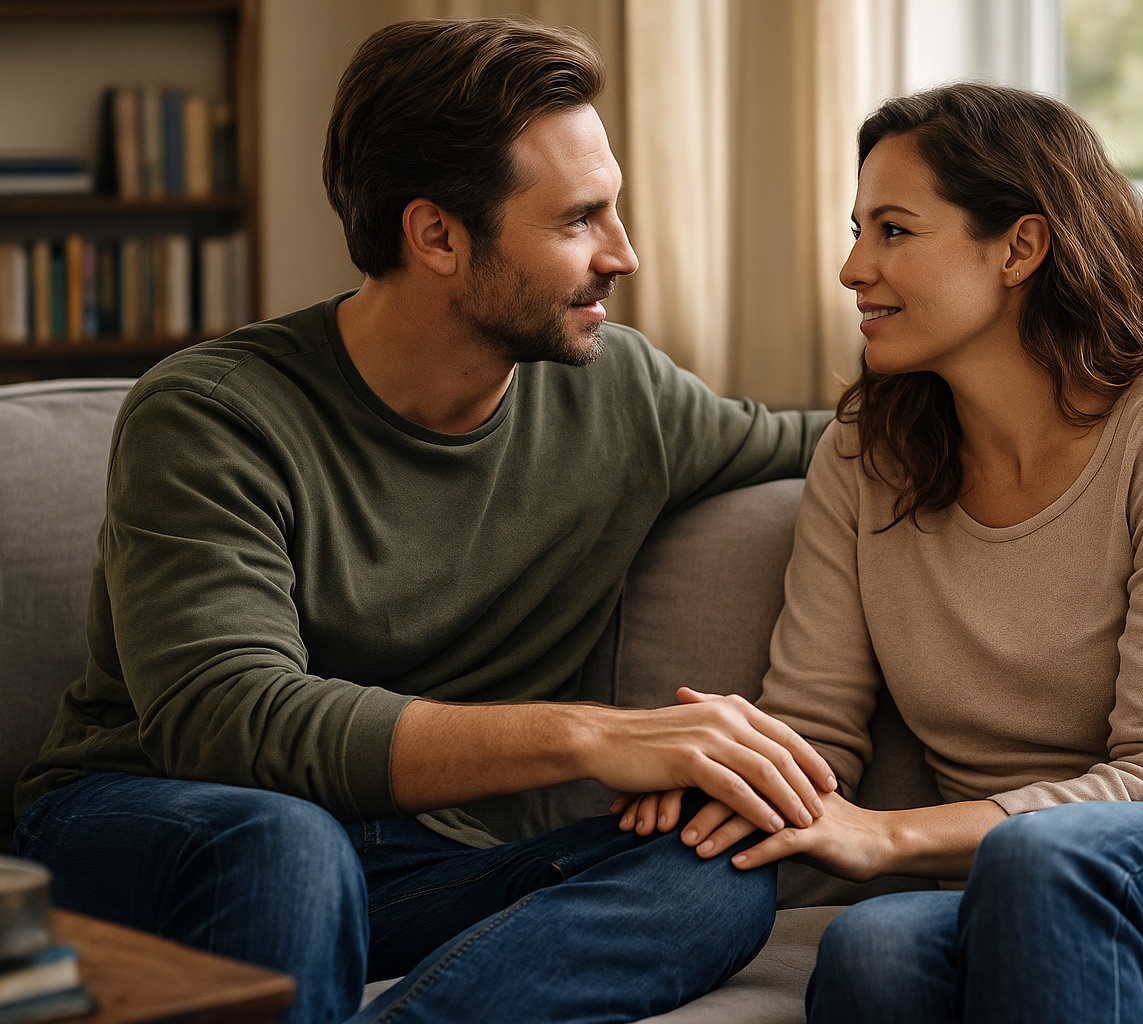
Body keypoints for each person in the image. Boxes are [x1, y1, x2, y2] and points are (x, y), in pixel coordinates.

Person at [10, 19, 837, 1024]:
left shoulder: (627, 399)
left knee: (716, 867)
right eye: (579, 219)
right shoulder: (212, 412)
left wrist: (1026, 371)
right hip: (159, 820)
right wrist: (591, 737)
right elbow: (228, 718)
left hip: (415, 860)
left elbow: (836, 445)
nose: (622, 254)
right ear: (436, 234)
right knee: (288, 842)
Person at [618, 83, 1143, 1023]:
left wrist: (886, 838)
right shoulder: (864, 454)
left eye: (894, 230)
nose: (852, 267)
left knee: (1040, 858)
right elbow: (818, 723)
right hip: (1019, 866)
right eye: (857, 229)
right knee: (871, 949)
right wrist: (729, 781)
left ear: (1021, 246)